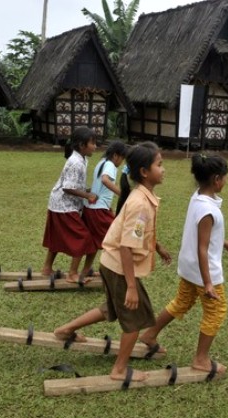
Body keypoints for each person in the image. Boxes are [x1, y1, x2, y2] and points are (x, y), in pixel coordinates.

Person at [53, 142, 172, 383]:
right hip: (120, 265)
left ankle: (65, 330)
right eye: (159, 165)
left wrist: (157, 247)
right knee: (135, 317)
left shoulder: (141, 197)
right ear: (144, 173)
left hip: (112, 262)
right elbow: (127, 245)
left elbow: (138, 233)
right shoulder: (140, 203)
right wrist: (130, 285)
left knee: (113, 309)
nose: (164, 169)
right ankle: (119, 369)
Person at [140, 154, 228, 375]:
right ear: (217, 179)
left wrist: (222, 241)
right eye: (225, 178)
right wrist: (209, 283)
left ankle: (150, 334)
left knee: (181, 302)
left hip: (189, 267)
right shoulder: (208, 210)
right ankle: (201, 359)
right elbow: (202, 248)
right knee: (216, 311)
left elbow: (202, 236)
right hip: (204, 271)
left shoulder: (199, 198)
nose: (226, 181)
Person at [41, 127, 98, 284]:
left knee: (57, 237)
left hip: (59, 204)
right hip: (63, 206)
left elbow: (74, 184)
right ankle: (72, 274)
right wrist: (87, 195)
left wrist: (87, 190)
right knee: (83, 237)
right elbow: (67, 187)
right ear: (81, 145)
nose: (95, 146)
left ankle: (47, 268)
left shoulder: (82, 159)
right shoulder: (76, 162)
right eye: (92, 143)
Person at [81, 141, 129, 275]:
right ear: (115, 156)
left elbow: (101, 188)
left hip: (91, 209)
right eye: (122, 158)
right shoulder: (110, 164)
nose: (121, 162)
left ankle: (85, 271)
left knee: (95, 242)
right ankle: (116, 272)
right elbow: (105, 180)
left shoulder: (101, 162)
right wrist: (123, 194)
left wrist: (109, 208)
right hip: (98, 210)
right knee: (117, 239)